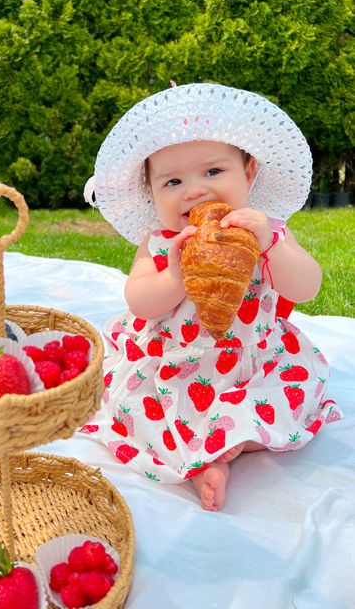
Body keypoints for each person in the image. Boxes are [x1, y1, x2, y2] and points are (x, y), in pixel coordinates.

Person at [80, 82, 342, 512]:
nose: (194, 190)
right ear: (152, 192)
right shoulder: (160, 242)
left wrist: (270, 247)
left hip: (251, 364)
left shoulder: (267, 231)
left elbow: (307, 287)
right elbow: (139, 300)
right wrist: (175, 278)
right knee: (133, 408)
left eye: (213, 172)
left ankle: (227, 443)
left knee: (281, 401)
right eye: (173, 181)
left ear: (249, 173)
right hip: (176, 366)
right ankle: (210, 456)